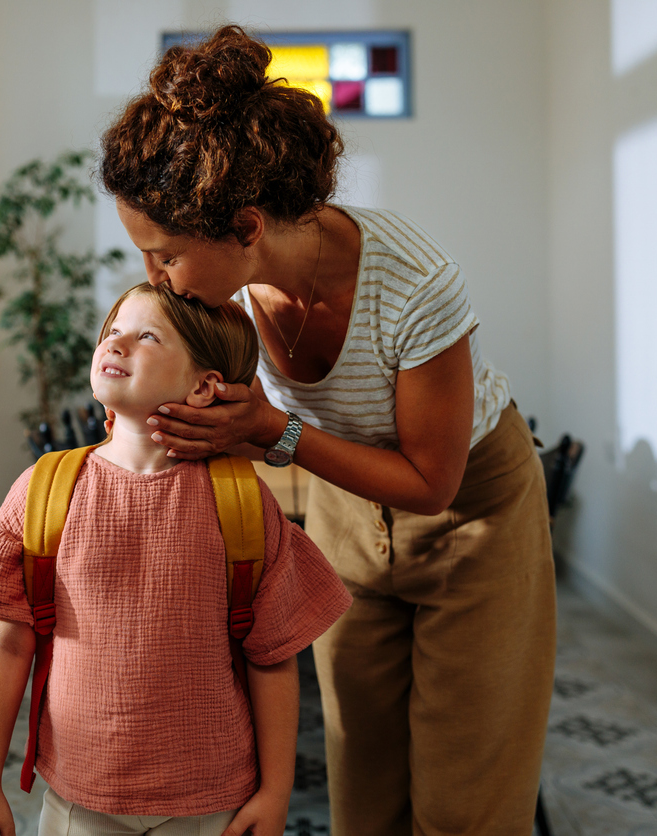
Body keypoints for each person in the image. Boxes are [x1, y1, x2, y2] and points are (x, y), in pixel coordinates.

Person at [98, 25, 556, 836]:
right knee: (363, 784)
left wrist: (271, 430)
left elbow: (431, 483)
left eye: (164, 255)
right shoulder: (225, 296)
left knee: (466, 802)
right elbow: (206, 400)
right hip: (347, 511)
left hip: (470, 521)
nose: (154, 276)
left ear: (246, 228)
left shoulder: (415, 285)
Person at [0, 282, 352, 836]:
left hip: (214, 801)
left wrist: (275, 792)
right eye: (114, 330)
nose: (115, 344)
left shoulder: (241, 501)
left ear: (204, 386)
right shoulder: (43, 490)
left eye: (146, 336)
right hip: (79, 799)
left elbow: (271, 657)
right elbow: (5, 645)